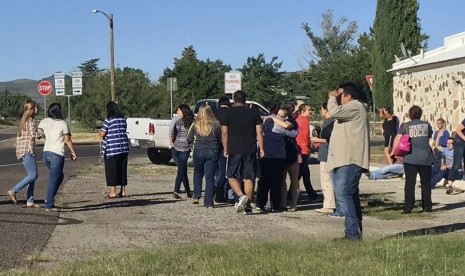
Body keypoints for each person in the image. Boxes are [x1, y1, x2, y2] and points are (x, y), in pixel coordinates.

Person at [327, 82, 369, 241]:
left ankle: (352, 234)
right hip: (343, 159)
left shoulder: (355, 106)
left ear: (348, 96)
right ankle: (354, 232)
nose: (338, 98)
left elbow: (334, 111)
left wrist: (331, 98)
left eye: (340, 95)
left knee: (344, 193)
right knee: (350, 195)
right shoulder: (350, 110)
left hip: (350, 159)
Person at [220, 90, 264, 215]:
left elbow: (224, 132)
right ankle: (248, 207)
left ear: (234, 100)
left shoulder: (227, 113)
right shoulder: (254, 113)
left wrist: (225, 148)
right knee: (249, 178)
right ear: (245, 100)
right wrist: (261, 148)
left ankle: (240, 196)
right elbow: (259, 132)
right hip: (250, 149)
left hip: (234, 149)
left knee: (231, 175)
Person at [392, 105, 433, 214]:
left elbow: (398, 138)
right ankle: (427, 206)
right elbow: (429, 136)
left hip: (410, 158)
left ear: (410, 114)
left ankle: (408, 206)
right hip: (425, 158)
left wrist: (395, 153)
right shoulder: (427, 125)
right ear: (420, 114)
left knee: (410, 183)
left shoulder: (405, 126)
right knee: (426, 184)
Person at [256, 103, 297, 212]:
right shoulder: (279, 123)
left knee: (263, 181)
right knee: (276, 181)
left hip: (265, 154)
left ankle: (260, 204)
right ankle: (276, 205)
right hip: (278, 155)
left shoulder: (264, 122)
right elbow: (292, 134)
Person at [38, 103, 77, 211]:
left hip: (46, 154)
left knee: (59, 177)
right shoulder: (62, 123)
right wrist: (73, 152)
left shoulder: (44, 121)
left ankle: (50, 198)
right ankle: (49, 204)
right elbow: (67, 140)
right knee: (53, 179)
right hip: (57, 154)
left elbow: (39, 134)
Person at [7, 100, 41, 207]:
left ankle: (30, 201)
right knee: (33, 175)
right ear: (31, 110)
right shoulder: (31, 121)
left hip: (21, 151)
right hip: (27, 151)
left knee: (32, 176)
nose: (38, 109)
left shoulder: (23, 121)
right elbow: (34, 134)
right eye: (36, 107)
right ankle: (13, 191)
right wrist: (43, 132)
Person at [187, 105, 222, 207]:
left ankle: (196, 196)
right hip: (212, 151)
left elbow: (189, 139)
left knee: (198, 173)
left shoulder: (195, 125)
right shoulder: (215, 124)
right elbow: (220, 139)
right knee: (210, 177)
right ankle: (208, 202)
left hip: (198, 151)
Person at [99, 101, 130, 198]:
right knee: (122, 169)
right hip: (124, 147)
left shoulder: (108, 120)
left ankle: (113, 192)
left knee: (112, 170)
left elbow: (102, 134)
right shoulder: (122, 119)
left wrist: (99, 131)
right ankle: (123, 191)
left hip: (112, 149)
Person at [310, 102, 336, 214]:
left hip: (327, 154)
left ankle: (329, 205)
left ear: (326, 109)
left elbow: (330, 138)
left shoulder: (331, 122)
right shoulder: (329, 121)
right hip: (325, 153)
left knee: (326, 180)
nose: (320, 111)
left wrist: (316, 140)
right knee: (328, 180)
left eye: (321, 109)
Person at [294, 103, 319, 202]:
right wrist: (309, 145)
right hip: (303, 148)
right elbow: (304, 135)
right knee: (303, 172)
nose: (310, 112)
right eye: (309, 110)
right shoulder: (303, 120)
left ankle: (310, 194)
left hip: (301, 148)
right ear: (303, 111)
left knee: (303, 173)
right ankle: (311, 194)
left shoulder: (299, 119)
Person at [169, 104, 194, 199]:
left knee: (181, 170)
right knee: (183, 170)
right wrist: (171, 144)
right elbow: (171, 130)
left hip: (185, 149)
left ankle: (175, 191)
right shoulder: (176, 120)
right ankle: (188, 191)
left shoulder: (191, 121)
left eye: (178, 110)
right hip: (176, 148)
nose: (177, 112)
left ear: (183, 111)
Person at [214, 96, 232, 203]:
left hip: (213, 145)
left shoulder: (214, 113)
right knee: (225, 171)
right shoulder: (230, 113)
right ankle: (224, 194)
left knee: (215, 171)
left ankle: (215, 192)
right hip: (226, 146)